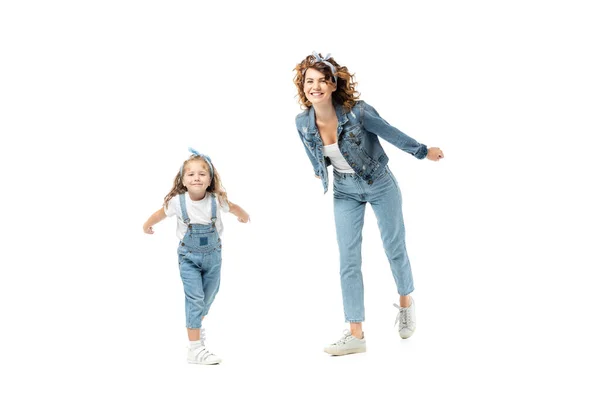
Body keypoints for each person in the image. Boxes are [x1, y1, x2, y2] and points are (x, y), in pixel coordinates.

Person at [293, 52, 444, 356]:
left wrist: (423, 151)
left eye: (323, 80)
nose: (316, 86)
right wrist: (319, 172)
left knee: (394, 248)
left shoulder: (357, 112)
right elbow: (313, 154)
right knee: (348, 260)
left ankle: (405, 302)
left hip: (379, 183)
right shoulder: (301, 122)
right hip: (344, 190)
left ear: (334, 84)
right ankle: (355, 333)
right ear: (303, 87)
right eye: (310, 81)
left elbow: (390, 133)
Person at [143, 148, 250, 364]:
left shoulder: (216, 199)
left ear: (210, 179)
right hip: (188, 258)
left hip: (213, 257)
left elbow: (234, 208)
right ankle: (195, 349)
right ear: (183, 180)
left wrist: (244, 216)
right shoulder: (177, 202)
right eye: (190, 174)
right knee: (195, 299)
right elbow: (159, 213)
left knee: (209, 296)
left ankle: (196, 324)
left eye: (202, 173)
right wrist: (147, 224)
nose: (196, 177)